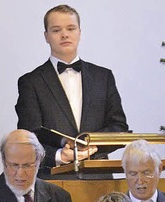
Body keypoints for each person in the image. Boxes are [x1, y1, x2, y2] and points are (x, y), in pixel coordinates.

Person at [15, 4, 128, 173]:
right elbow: (28, 138)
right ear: (46, 36)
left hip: (98, 175)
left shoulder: (103, 77)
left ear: (80, 33)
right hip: (51, 179)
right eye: (56, 30)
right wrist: (59, 155)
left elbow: (119, 127)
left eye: (71, 28)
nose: (64, 34)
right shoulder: (30, 82)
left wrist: (92, 144)